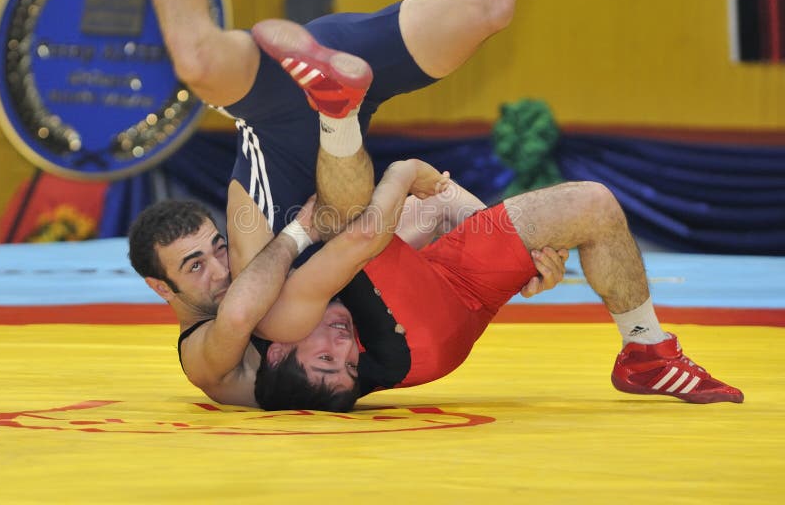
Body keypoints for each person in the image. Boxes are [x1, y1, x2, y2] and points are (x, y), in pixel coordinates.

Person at [126, 0, 551, 405]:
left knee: (198, 60)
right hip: (343, 76)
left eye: (216, 249)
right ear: (163, 287)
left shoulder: (225, 341)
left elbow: (243, 314)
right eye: (195, 267)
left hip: (277, 109)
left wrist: (300, 230)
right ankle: (336, 109)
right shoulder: (230, 346)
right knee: (490, 4)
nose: (221, 270)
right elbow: (416, 220)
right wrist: (518, 248)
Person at [250, 35, 745, 411]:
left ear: (277, 355)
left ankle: (646, 352)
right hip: (421, 336)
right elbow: (365, 231)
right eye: (348, 363)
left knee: (593, 205)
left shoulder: (278, 284)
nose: (342, 346)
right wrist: (403, 172)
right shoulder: (261, 322)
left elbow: (433, 206)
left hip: (436, 283)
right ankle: (341, 111)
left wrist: (516, 254)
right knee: (349, 221)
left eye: (327, 357)